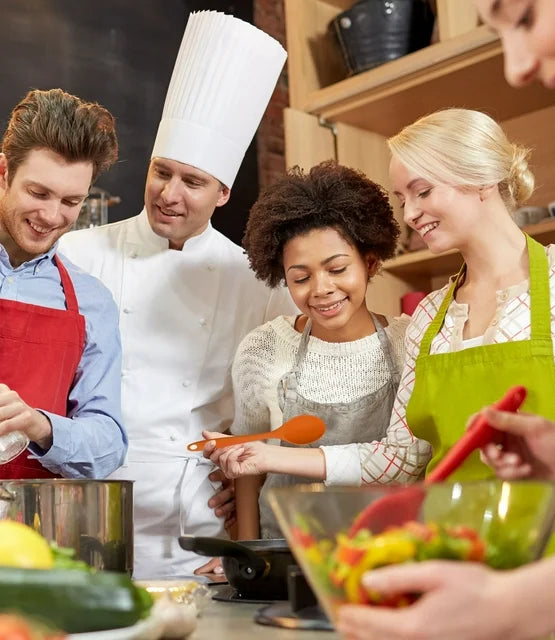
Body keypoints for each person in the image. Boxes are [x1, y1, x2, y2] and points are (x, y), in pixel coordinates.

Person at [337, 1, 555, 638]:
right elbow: (400, 458)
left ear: (480, 179)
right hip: (456, 582)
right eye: (402, 197)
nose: (410, 212)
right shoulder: (428, 321)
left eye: (423, 189)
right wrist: (277, 455)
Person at [58, 11, 296, 578]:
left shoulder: (257, 279)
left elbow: (287, 409)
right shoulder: (78, 254)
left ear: (223, 192)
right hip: (85, 512)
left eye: (192, 182)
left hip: (196, 526)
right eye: (162, 172)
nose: (169, 194)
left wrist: (246, 497)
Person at [206, 161, 410, 539]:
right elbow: (250, 471)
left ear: (369, 262)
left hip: (387, 552)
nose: (320, 289)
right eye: (300, 278)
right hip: (286, 551)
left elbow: (411, 459)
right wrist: (251, 557)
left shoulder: (408, 342)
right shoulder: (264, 350)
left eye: (337, 269)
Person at [0, 87, 125, 480]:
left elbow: (108, 444)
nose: (52, 216)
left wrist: (40, 425)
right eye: (38, 193)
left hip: (33, 529)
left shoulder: (90, 300)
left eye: (71, 202)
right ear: (3, 173)